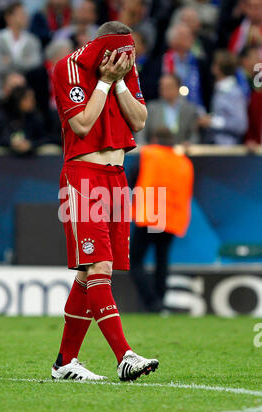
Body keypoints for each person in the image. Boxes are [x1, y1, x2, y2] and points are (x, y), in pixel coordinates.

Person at [52, 21, 159, 381]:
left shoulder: (125, 72)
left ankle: (65, 363)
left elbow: (140, 121)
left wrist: (116, 82)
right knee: (100, 268)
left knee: (90, 271)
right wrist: (101, 83)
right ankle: (124, 355)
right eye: (122, 53)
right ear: (103, 47)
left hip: (117, 178)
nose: (127, 60)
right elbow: (81, 124)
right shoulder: (68, 67)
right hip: (84, 176)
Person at [129, 128, 194, 313]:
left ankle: (152, 303)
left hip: (150, 215)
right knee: (162, 260)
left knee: (135, 261)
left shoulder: (149, 154)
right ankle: (159, 301)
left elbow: (133, 179)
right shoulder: (184, 162)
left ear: (155, 138)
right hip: (171, 217)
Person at [0, 2, 42, 100]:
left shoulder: (33, 41)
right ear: (8, 17)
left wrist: (10, 61)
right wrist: (23, 62)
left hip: (26, 92)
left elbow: (36, 63)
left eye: (25, 14)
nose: (25, 17)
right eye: (21, 14)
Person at [198, 50, 248, 145]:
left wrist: (212, 121)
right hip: (215, 146)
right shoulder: (218, 89)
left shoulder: (235, 93)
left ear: (218, 68)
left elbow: (241, 125)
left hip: (228, 149)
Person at [136, 73, 200, 145]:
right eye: (162, 87)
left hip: (180, 153)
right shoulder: (152, 108)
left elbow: (194, 135)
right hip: (155, 151)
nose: (164, 89)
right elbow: (141, 132)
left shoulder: (189, 109)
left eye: (168, 86)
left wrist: (189, 144)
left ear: (177, 87)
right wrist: (142, 147)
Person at [0, 86, 46, 155]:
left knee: (50, 149)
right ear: (19, 100)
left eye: (33, 99)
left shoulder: (35, 116)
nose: (33, 102)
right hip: (5, 151)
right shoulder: (3, 114)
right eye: (29, 100)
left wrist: (31, 144)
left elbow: (44, 137)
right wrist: (10, 143)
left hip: (30, 152)